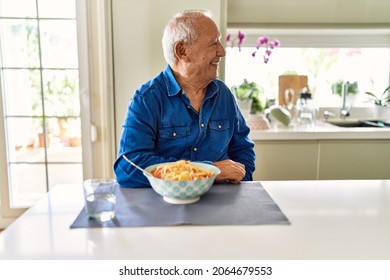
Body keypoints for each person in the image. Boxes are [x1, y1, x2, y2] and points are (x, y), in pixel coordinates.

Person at [113, 10, 255, 188]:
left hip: (221, 203)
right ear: (182, 51)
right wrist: (208, 172)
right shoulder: (147, 99)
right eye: (214, 44)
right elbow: (128, 167)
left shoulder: (224, 95)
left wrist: (241, 179)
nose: (222, 51)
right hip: (165, 206)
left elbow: (243, 150)